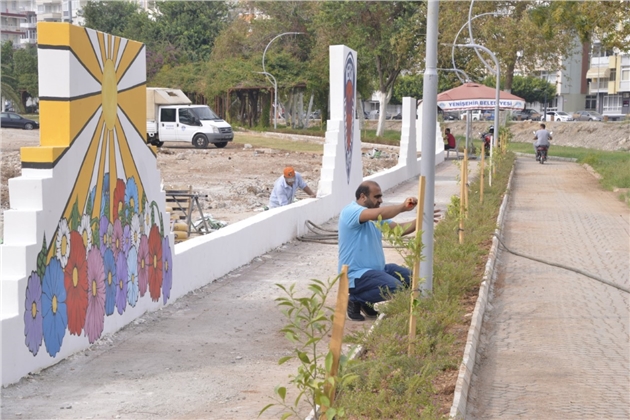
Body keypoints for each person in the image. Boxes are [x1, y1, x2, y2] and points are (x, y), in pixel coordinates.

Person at [338, 181, 419, 321]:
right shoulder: (351, 211)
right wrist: (402, 207)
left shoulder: (375, 218)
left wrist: (421, 220)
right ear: (363, 197)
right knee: (395, 287)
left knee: (414, 279)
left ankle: (366, 301)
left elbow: (399, 230)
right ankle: (356, 299)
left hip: (377, 271)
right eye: (377, 196)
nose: (380, 200)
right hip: (355, 275)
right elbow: (380, 213)